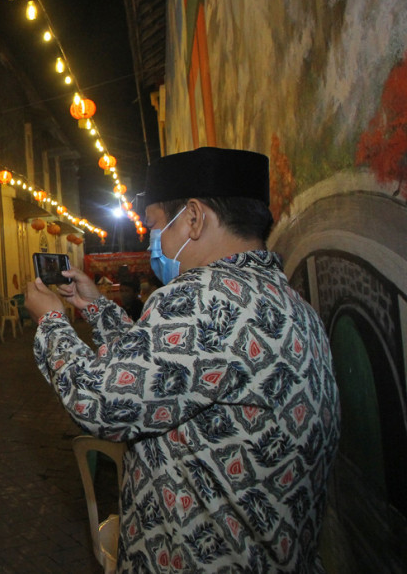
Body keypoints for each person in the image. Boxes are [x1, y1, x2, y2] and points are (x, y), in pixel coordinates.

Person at [25, 147, 340, 571]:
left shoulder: (201, 297)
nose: (153, 241)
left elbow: (101, 401)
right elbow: (166, 374)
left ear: (193, 218)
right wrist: (96, 307)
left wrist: (51, 323)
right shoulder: (285, 300)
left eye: (155, 225)